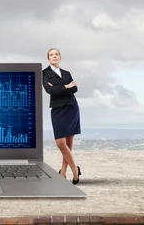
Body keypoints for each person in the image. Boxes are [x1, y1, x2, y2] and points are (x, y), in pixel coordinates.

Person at [42, 47, 82, 184]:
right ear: (48, 58)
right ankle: (75, 169)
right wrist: (66, 87)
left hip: (72, 108)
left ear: (60, 57)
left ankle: (63, 172)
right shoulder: (45, 73)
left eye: (56, 54)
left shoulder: (66, 73)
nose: (54, 56)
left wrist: (62, 87)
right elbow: (50, 90)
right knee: (60, 142)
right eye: (51, 55)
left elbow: (75, 88)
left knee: (69, 142)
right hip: (58, 109)